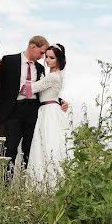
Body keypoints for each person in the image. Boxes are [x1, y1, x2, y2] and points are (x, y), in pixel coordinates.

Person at [0, 35, 48, 180]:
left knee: (29, 148)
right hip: (14, 110)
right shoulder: (9, 61)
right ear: (32, 47)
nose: (43, 57)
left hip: (33, 111)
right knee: (10, 149)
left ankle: (26, 183)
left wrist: (60, 101)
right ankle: (5, 186)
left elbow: (44, 89)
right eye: (41, 53)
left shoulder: (40, 68)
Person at [27, 44, 71, 189]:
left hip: (48, 111)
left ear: (59, 60)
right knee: (50, 143)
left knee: (47, 144)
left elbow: (32, 89)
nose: (47, 60)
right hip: (51, 108)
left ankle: (48, 182)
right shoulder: (56, 75)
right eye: (46, 57)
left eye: (52, 58)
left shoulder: (52, 77)